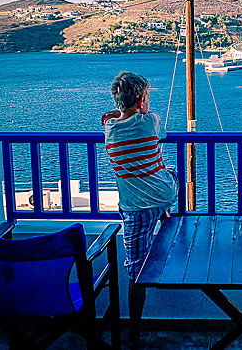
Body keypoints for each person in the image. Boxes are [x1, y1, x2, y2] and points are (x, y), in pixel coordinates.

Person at [102, 71, 178, 347]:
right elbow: (161, 133)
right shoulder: (152, 121)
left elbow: (119, 117)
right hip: (164, 192)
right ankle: (167, 211)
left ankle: (133, 333)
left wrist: (120, 111)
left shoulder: (109, 130)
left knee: (136, 271)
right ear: (141, 100)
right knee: (172, 172)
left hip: (134, 208)